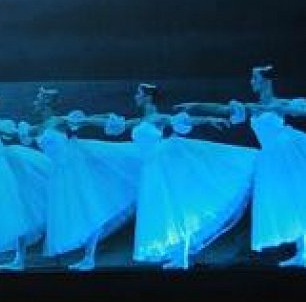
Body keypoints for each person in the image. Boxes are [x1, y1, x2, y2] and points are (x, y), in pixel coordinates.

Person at [177, 65, 306, 266]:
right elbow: (222, 109)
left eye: (254, 78)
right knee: (284, 199)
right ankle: (302, 252)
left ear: (266, 80)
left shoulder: (281, 103)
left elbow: (301, 110)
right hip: (270, 157)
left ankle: (303, 251)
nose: (251, 82)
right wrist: (196, 105)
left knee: (297, 195)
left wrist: (276, 109)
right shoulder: (252, 107)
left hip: (288, 150)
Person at [131, 83, 254, 269]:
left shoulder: (157, 118)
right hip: (149, 171)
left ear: (148, 97)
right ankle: (178, 255)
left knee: (172, 208)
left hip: (160, 169)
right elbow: (114, 123)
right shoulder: (141, 120)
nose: (136, 97)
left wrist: (208, 119)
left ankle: (182, 257)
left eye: (139, 93)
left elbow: (183, 120)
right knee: (161, 211)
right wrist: (87, 120)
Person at [25, 88, 141, 271]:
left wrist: (105, 117)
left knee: (88, 210)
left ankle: (89, 258)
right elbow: (17, 134)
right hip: (58, 175)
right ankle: (87, 257)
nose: (34, 103)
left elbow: (87, 119)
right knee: (74, 214)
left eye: (37, 100)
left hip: (73, 171)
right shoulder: (40, 126)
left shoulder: (59, 121)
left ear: (46, 103)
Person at [0, 92, 52, 271]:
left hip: (5, 169)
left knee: (16, 209)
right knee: (8, 211)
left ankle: (20, 259)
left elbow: (11, 134)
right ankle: (19, 258)